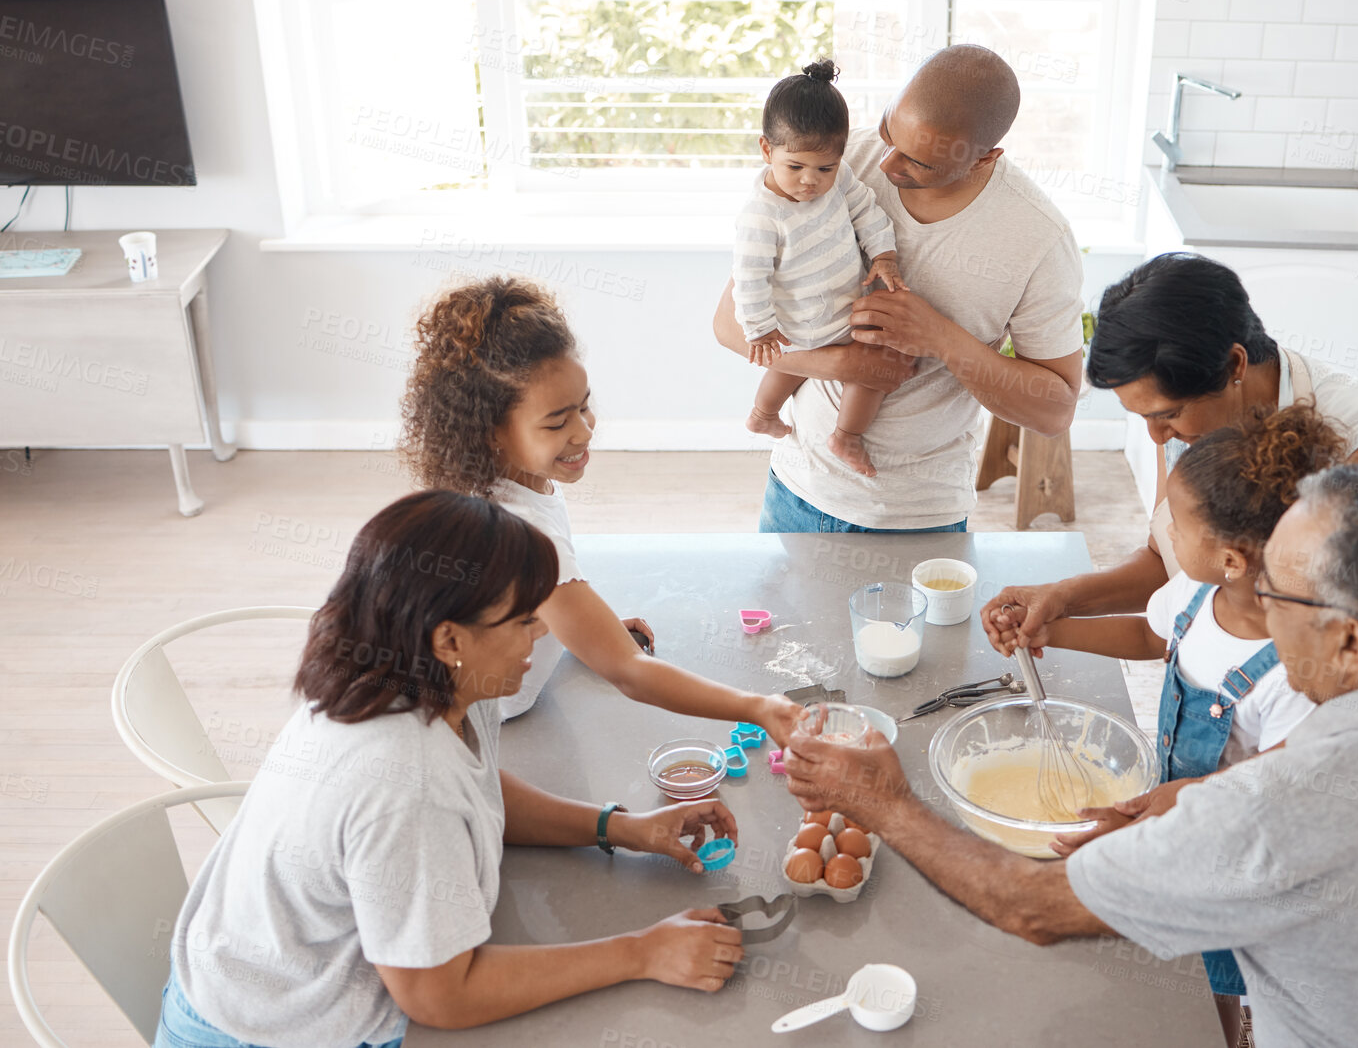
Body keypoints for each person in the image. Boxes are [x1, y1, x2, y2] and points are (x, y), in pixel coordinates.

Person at [788, 461, 1358, 1048]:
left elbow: (1029, 907)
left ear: (1348, 641)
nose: (1253, 599)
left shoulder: (1272, 807)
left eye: (1274, 589)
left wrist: (887, 803)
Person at [158, 491, 747, 1048]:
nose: (540, 633)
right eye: (522, 621)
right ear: (449, 637)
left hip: (260, 977)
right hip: (276, 1029)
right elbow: (440, 994)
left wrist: (621, 827)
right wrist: (642, 953)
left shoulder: (425, 676)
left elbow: (478, 790)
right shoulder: (400, 778)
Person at [1027, 404, 1345, 1045]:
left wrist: (1182, 799)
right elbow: (1151, 637)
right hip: (1185, 814)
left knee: (1232, 964)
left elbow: (1292, 773)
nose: (1165, 536)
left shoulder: (1297, 665)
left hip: (1248, 848)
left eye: (1176, 524)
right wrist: (1053, 632)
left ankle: (1237, 1031)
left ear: (1231, 557)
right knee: (1195, 956)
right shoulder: (1199, 597)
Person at [400, 277, 801, 741]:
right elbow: (629, 671)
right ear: (489, 432)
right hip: (481, 724)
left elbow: (532, 597)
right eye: (556, 423)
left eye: (583, 407)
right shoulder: (521, 533)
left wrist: (587, 623)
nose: (584, 431)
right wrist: (759, 707)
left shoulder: (520, 480)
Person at [712, 43, 1086, 533]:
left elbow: (1055, 410)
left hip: (919, 516)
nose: (886, 165)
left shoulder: (1038, 238)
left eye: (918, 162)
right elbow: (728, 325)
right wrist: (840, 363)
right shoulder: (835, 161)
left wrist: (941, 339)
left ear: (985, 157)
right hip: (796, 491)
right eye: (889, 132)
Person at [985, 251, 1358, 655]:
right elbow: (1172, 562)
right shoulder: (1187, 418)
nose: (1158, 439)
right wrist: (1063, 598)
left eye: (1168, 415)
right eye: (1143, 418)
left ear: (1234, 366)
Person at [734, 58, 903, 477]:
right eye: (795, 167)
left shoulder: (839, 179)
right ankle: (845, 435)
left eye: (824, 168)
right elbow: (750, 278)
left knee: (878, 354)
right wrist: (758, 328)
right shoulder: (762, 216)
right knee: (843, 367)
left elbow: (865, 208)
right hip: (797, 324)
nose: (810, 180)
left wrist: (883, 253)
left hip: (845, 308)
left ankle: (763, 415)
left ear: (839, 157)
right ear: (766, 149)